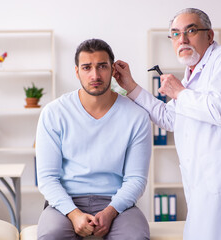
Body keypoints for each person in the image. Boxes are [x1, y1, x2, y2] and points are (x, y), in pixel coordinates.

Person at [114, 8, 221, 240]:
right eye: (175, 34)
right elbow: (168, 118)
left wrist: (180, 92)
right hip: (208, 177)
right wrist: (131, 86)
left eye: (191, 31)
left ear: (210, 35)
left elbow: (220, 110)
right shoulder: (191, 76)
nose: (182, 39)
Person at [36, 39, 151, 240]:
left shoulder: (136, 116)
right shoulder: (54, 113)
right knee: (51, 236)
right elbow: (47, 178)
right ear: (77, 71)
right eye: (87, 67)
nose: (95, 75)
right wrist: (73, 214)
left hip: (118, 205)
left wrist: (111, 211)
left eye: (102, 66)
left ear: (113, 69)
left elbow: (136, 179)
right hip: (66, 202)